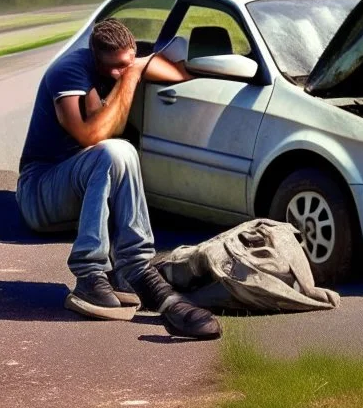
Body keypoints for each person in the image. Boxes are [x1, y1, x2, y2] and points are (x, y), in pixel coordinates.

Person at [16, 17, 222, 340]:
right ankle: (89, 275)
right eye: (112, 68)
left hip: (79, 182)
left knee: (122, 153)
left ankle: (132, 270)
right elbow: (91, 134)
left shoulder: (125, 61)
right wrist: (131, 75)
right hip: (39, 190)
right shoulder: (68, 71)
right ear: (95, 57)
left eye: (124, 64)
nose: (118, 72)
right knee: (112, 152)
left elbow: (180, 74)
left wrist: (141, 64)